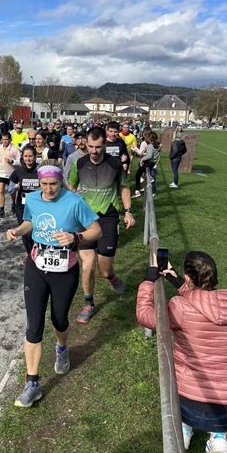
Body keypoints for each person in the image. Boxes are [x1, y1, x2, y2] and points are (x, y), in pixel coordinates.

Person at [6, 165, 101, 408]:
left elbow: (96, 230)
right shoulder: (34, 199)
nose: (49, 189)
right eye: (44, 184)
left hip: (64, 270)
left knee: (59, 320)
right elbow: (30, 222)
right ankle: (32, 383)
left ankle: (61, 348)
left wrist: (76, 237)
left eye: (54, 184)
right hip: (36, 267)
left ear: (61, 183)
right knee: (34, 325)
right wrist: (18, 230)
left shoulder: (75, 201)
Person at [137, 251, 227, 453]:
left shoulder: (181, 307)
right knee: (218, 414)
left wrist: (148, 282)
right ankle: (219, 436)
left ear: (189, 277)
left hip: (190, 404)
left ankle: (184, 430)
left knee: (183, 401)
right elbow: (204, 303)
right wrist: (176, 279)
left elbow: (146, 317)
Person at [68, 126, 135, 323]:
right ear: (85, 144)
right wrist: (73, 208)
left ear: (104, 144)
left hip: (108, 217)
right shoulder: (78, 164)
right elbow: (72, 186)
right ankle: (88, 303)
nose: (94, 151)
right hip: (85, 219)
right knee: (87, 265)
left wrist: (128, 211)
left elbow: (123, 187)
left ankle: (112, 277)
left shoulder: (114, 164)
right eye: (90, 146)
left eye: (98, 147)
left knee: (104, 269)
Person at [9, 145, 39, 254]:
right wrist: (15, 187)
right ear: (22, 157)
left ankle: (38, 252)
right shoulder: (18, 171)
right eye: (25, 156)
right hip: (22, 206)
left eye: (30, 156)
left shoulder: (40, 170)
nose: (28, 159)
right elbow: (10, 189)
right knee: (25, 232)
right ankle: (30, 254)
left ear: (35, 157)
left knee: (37, 230)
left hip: (37, 206)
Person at [0, 132, 20, 217]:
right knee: (1, 191)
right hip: (1, 172)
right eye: (3, 139)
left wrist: (12, 161)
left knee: (11, 191)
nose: (4, 141)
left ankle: (13, 204)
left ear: (10, 140)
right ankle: (1, 209)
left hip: (11, 174)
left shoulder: (14, 149)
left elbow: (19, 162)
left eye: (6, 139)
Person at [132, 131, 161, 198]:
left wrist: (142, 159)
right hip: (153, 163)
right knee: (142, 173)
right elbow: (157, 155)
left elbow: (149, 156)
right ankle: (143, 185)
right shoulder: (158, 145)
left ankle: (137, 191)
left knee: (137, 174)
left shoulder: (150, 146)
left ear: (149, 138)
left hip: (149, 162)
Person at [169, 125, 187, 189]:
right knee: (175, 171)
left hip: (175, 159)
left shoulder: (175, 142)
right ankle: (174, 182)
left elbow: (175, 151)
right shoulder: (182, 142)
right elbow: (185, 150)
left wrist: (170, 157)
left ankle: (175, 184)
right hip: (179, 157)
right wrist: (180, 154)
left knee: (175, 171)